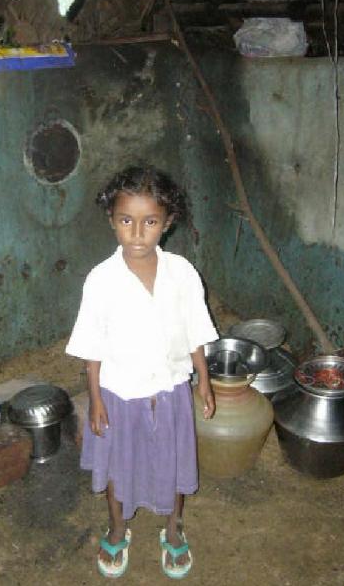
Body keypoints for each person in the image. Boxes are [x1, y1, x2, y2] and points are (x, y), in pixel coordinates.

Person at [66, 166, 218, 579]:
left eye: (149, 222)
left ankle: (174, 528)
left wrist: (203, 379)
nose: (136, 233)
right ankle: (118, 528)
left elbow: (195, 329)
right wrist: (95, 399)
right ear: (112, 220)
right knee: (118, 465)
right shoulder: (101, 280)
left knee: (174, 463)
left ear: (167, 223)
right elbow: (92, 346)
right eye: (126, 221)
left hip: (170, 392)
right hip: (119, 394)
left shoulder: (182, 274)